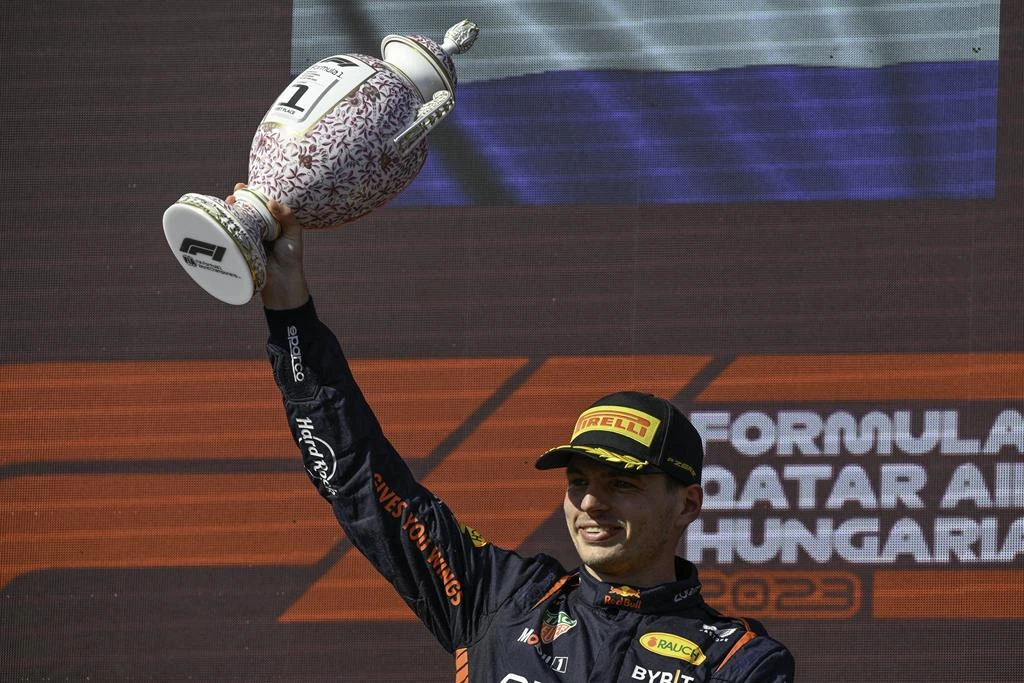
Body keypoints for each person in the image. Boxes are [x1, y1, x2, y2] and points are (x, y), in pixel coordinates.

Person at [242, 188, 795, 682]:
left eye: (622, 484)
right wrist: (289, 313)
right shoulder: (499, 599)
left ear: (687, 503)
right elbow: (360, 478)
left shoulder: (737, 662)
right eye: (578, 481)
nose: (591, 503)